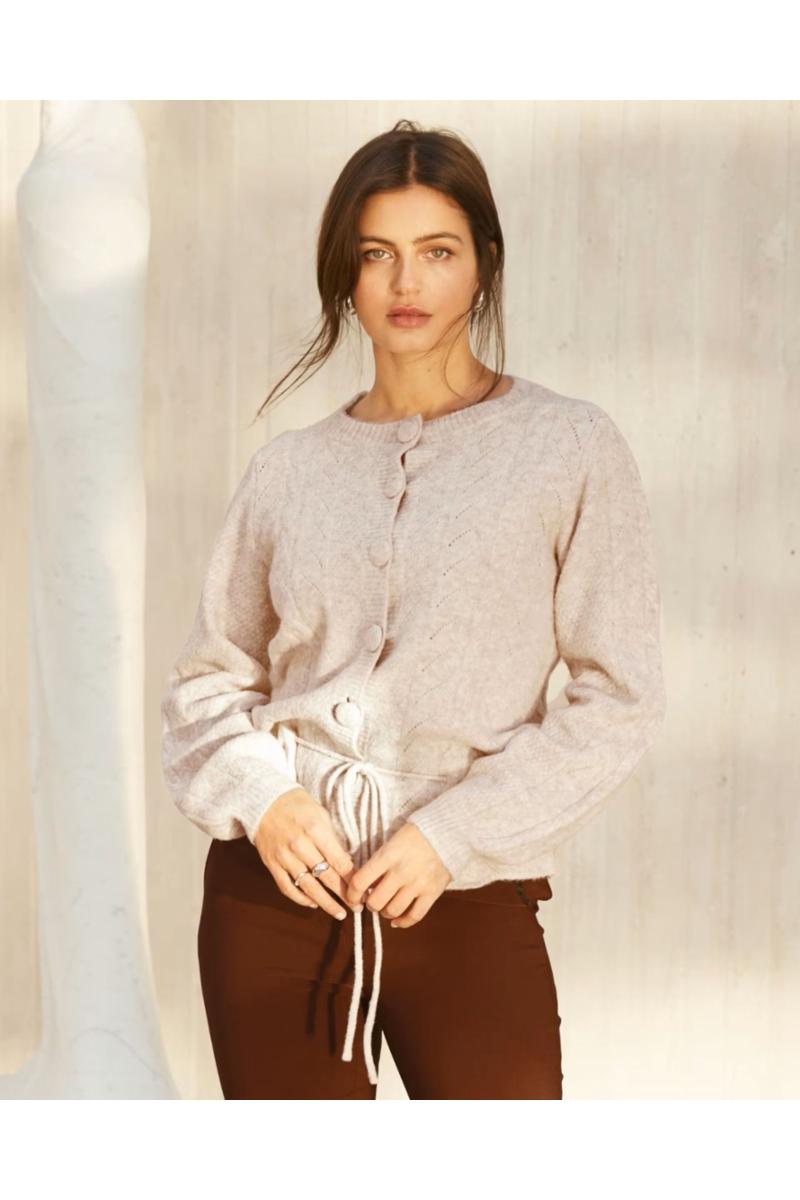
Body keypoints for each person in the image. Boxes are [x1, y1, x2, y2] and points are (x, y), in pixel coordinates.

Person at [160, 118, 667, 1100]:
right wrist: (266, 801)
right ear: (343, 275)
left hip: (463, 890)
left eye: (436, 252)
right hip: (275, 896)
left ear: (483, 263)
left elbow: (619, 695)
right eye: (375, 254)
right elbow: (208, 683)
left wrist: (452, 836)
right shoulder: (288, 470)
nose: (405, 282)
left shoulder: (568, 447)